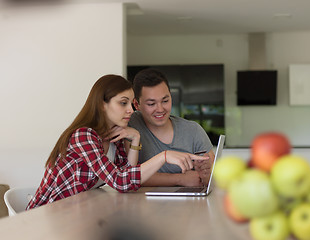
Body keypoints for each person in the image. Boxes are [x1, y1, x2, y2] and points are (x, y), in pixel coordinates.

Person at [27, 74, 208, 209]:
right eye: (123, 103)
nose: (130, 110)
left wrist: (135, 138)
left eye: (131, 104)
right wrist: (164, 156)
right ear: (102, 104)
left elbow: (128, 182)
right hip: (48, 215)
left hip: (75, 212)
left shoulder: (115, 139)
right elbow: (120, 181)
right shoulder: (83, 136)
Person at [129, 68, 215, 187]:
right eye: (151, 104)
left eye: (165, 101)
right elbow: (128, 176)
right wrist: (180, 179)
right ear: (136, 104)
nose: (160, 109)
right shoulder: (130, 123)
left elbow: (212, 180)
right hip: (142, 203)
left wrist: (206, 175)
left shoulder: (193, 130)